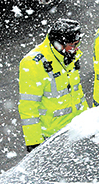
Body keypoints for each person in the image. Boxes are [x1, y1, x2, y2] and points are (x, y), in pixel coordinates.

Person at [18, 18, 88, 151]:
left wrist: (89, 121)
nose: (76, 48)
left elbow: (77, 93)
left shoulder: (69, 57)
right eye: (72, 45)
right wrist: (34, 142)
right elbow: (28, 107)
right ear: (58, 44)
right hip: (52, 138)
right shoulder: (33, 63)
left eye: (77, 44)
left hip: (77, 131)